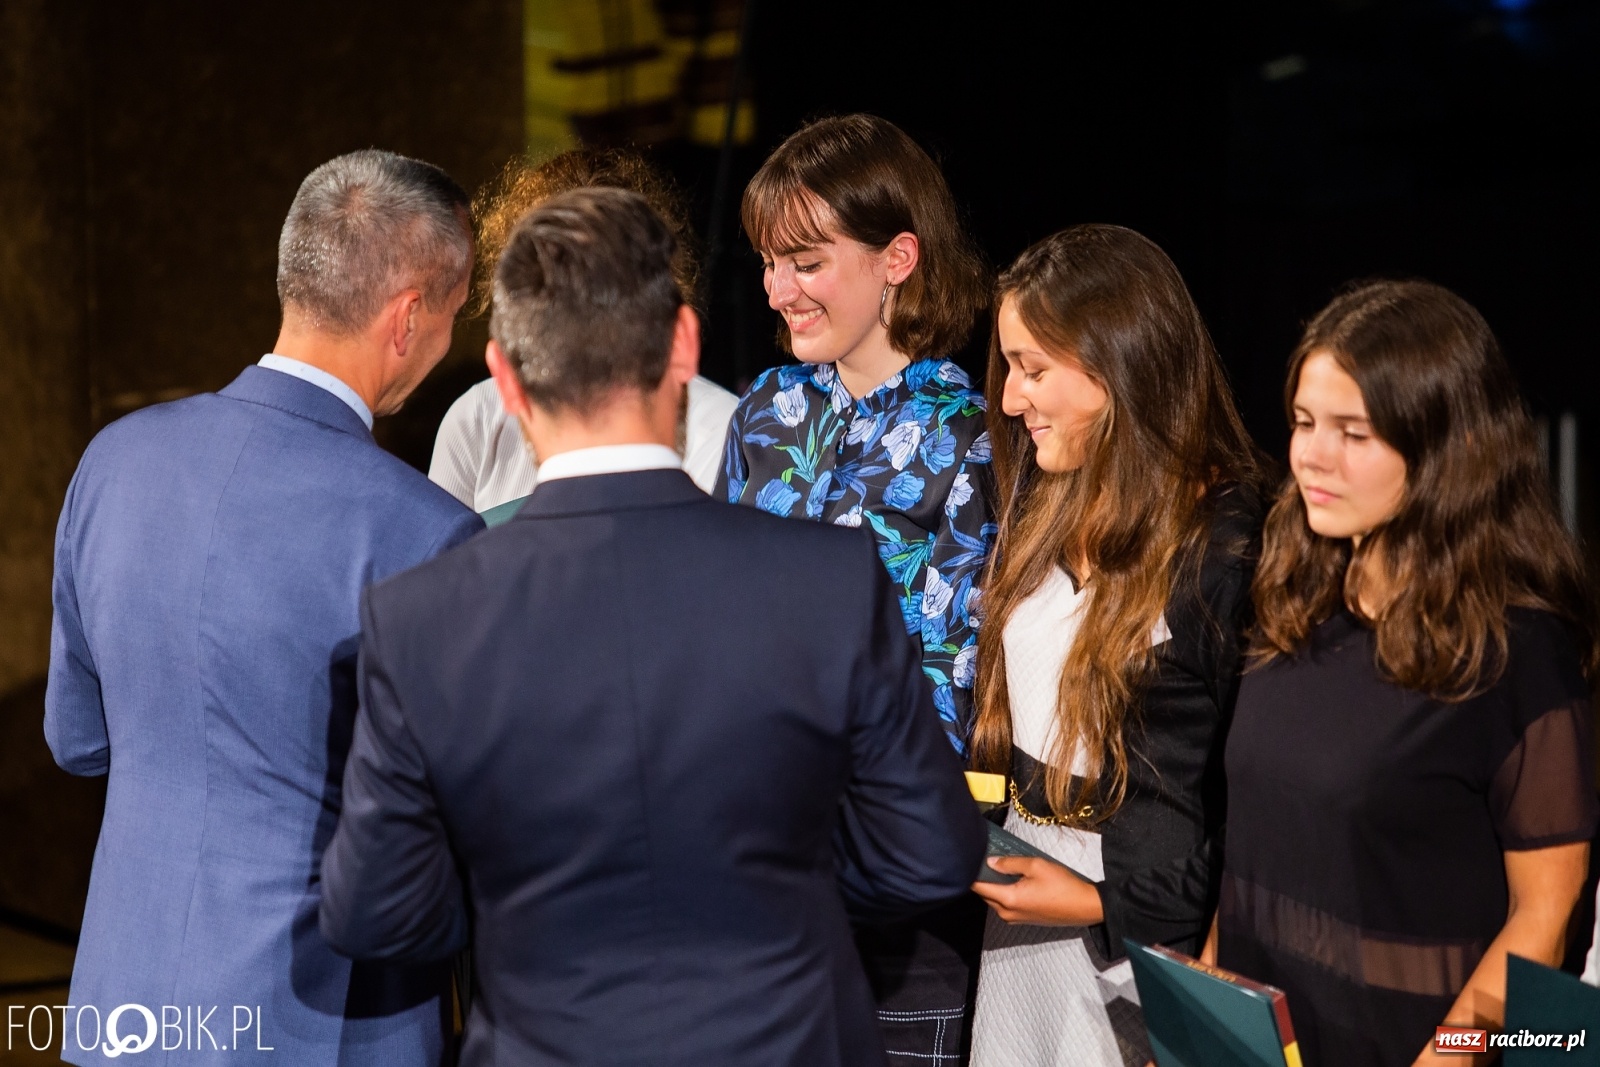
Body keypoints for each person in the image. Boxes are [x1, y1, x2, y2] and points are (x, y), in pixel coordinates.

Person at [318, 186, 986, 1067]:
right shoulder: (827, 582)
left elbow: (374, 909)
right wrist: (779, 888)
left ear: (505, 376)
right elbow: (932, 852)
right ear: (682, 345)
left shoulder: (418, 619)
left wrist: (516, 898)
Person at [44, 150, 482, 1066]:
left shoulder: (112, 462)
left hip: (119, 1007)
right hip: (325, 1019)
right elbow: (465, 825)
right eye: (452, 316)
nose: (450, 345)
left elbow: (77, 739)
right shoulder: (427, 530)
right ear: (407, 318)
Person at [1218, 280, 1598, 1066]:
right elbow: (1251, 858)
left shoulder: (1518, 650)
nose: (1312, 455)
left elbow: (1545, 920)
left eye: (1353, 432)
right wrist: (1209, 1018)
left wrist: (1448, 1060)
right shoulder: (1292, 600)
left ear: (1443, 451)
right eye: (1303, 422)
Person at [717, 113, 994, 1064]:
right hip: (753, 897)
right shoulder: (762, 412)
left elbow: (958, 688)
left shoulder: (973, 435)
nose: (779, 289)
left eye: (805, 260)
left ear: (898, 257)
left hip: (893, 912)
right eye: (768, 262)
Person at [964, 225, 1266, 1066]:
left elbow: (1259, 817)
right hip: (1021, 936)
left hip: (1137, 960)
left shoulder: (1227, 549)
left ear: (1118, 362)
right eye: (1010, 367)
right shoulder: (1045, 506)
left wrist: (1103, 902)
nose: (1013, 399)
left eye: (1033, 368)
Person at [428, 147, 738, 511]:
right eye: (551, 261)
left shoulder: (727, 428)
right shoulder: (475, 418)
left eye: (606, 263)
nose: (581, 288)